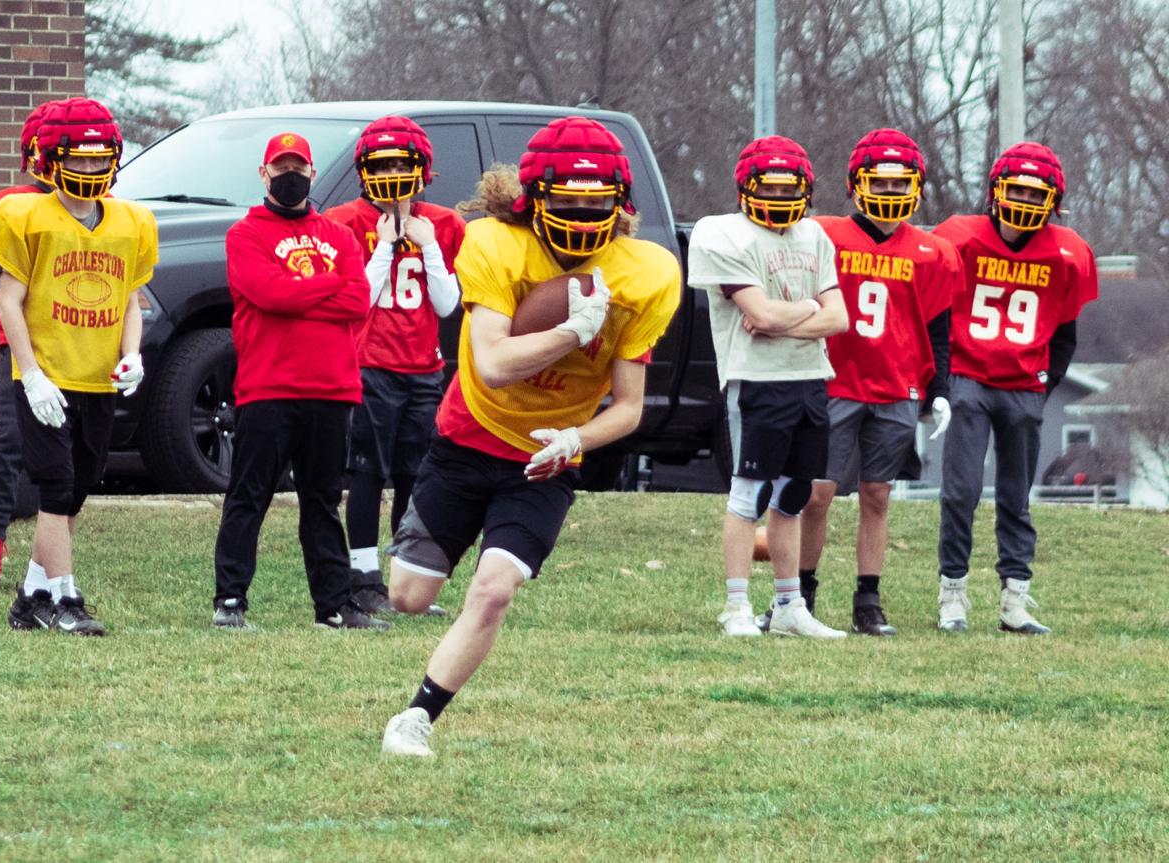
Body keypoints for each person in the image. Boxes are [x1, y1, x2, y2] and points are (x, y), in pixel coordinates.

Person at [379, 117, 680, 757]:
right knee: (407, 596)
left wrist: (575, 440)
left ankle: (417, 718)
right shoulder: (493, 244)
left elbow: (628, 409)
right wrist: (572, 332)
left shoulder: (646, 272)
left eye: (596, 202)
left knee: (492, 591)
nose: (581, 214)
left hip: (544, 458)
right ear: (532, 197)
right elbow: (491, 363)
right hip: (469, 434)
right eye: (567, 200)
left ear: (620, 203)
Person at [0, 97, 156, 634]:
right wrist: (29, 374)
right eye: (78, 159)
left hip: (97, 375)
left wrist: (133, 354)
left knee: (75, 491)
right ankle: (64, 599)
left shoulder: (132, 220)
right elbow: (8, 301)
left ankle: (30, 596)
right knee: (55, 487)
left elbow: (129, 299)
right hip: (46, 373)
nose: (90, 169)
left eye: (100, 160)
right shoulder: (22, 213)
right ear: (51, 160)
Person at [211, 132, 387, 632]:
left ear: (312, 173)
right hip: (268, 386)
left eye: (300, 167)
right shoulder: (245, 234)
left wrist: (300, 292)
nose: (291, 176)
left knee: (323, 503)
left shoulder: (339, 235)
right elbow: (267, 293)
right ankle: (230, 600)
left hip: (332, 388)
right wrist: (324, 288)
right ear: (264, 175)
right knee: (249, 496)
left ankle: (334, 605)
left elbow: (358, 299)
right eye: (281, 167)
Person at [794, 129, 959, 636]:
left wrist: (941, 389)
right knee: (818, 493)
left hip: (896, 386)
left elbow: (937, 328)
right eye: (879, 183)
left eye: (899, 183)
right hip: (835, 381)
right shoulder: (822, 234)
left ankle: (868, 600)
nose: (890, 194)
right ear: (856, 184)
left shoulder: (934, 252)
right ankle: (800, 593)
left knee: (878, 495)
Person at [932, 141, 1098, 634]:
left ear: (1054, 199)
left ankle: (1014, 602)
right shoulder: (959, 238)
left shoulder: (1068, 252)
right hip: (968, 378)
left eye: (1036, 192)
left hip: (1024, 383)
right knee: (960, 491)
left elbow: (1065, 336)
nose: (1025, 201)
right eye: (1017, 190)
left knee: (1015, 497)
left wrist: (1042, 388)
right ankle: (953, 595)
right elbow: (938, 314)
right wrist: (941, 382)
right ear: (996, 192)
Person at [689, 135, 849, 640]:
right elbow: (757, 314)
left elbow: (840, 319)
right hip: (756, 378)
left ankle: (787, 606)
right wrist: (808, 311)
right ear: (746, 187)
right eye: (770, 188)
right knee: (748, 495)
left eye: (789, 189)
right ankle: (737, 605)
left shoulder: (815, 237)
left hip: (809, 377)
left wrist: (788, 317)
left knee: (794, 495)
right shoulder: (723, 234)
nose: (780, 199)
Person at [324, 116, 465, 616]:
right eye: (380, 164)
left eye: (400, 164)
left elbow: (448, 306)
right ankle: (363, 579)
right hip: (368, 364)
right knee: (366, 471)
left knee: (415, 473)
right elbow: (357, 299)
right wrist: (386, 243)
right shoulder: (344, 221)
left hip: (423, 369)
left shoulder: (445, 225)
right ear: (363, 170)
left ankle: (407, 579)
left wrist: (427, 246)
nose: (390, 173)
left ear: (421, 168)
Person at [0, 100, 59, 589]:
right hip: (22, 343)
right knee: (9, 444)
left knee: (77, 454)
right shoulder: (10, 204)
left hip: (81, 342)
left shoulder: (99, 208)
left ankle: (52, 557)